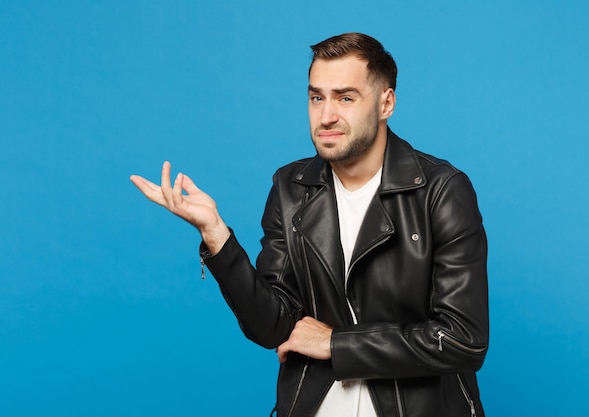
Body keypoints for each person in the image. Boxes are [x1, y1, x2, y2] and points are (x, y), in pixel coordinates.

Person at [130, 32, 489, 417]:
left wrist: (336, 343)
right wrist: (217, 236)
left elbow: (462, 339)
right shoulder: (291, 187)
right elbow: (273, 327)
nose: (326, 115)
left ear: (386, 103)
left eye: (345, 98)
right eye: (317, 97)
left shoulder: (441, 190)